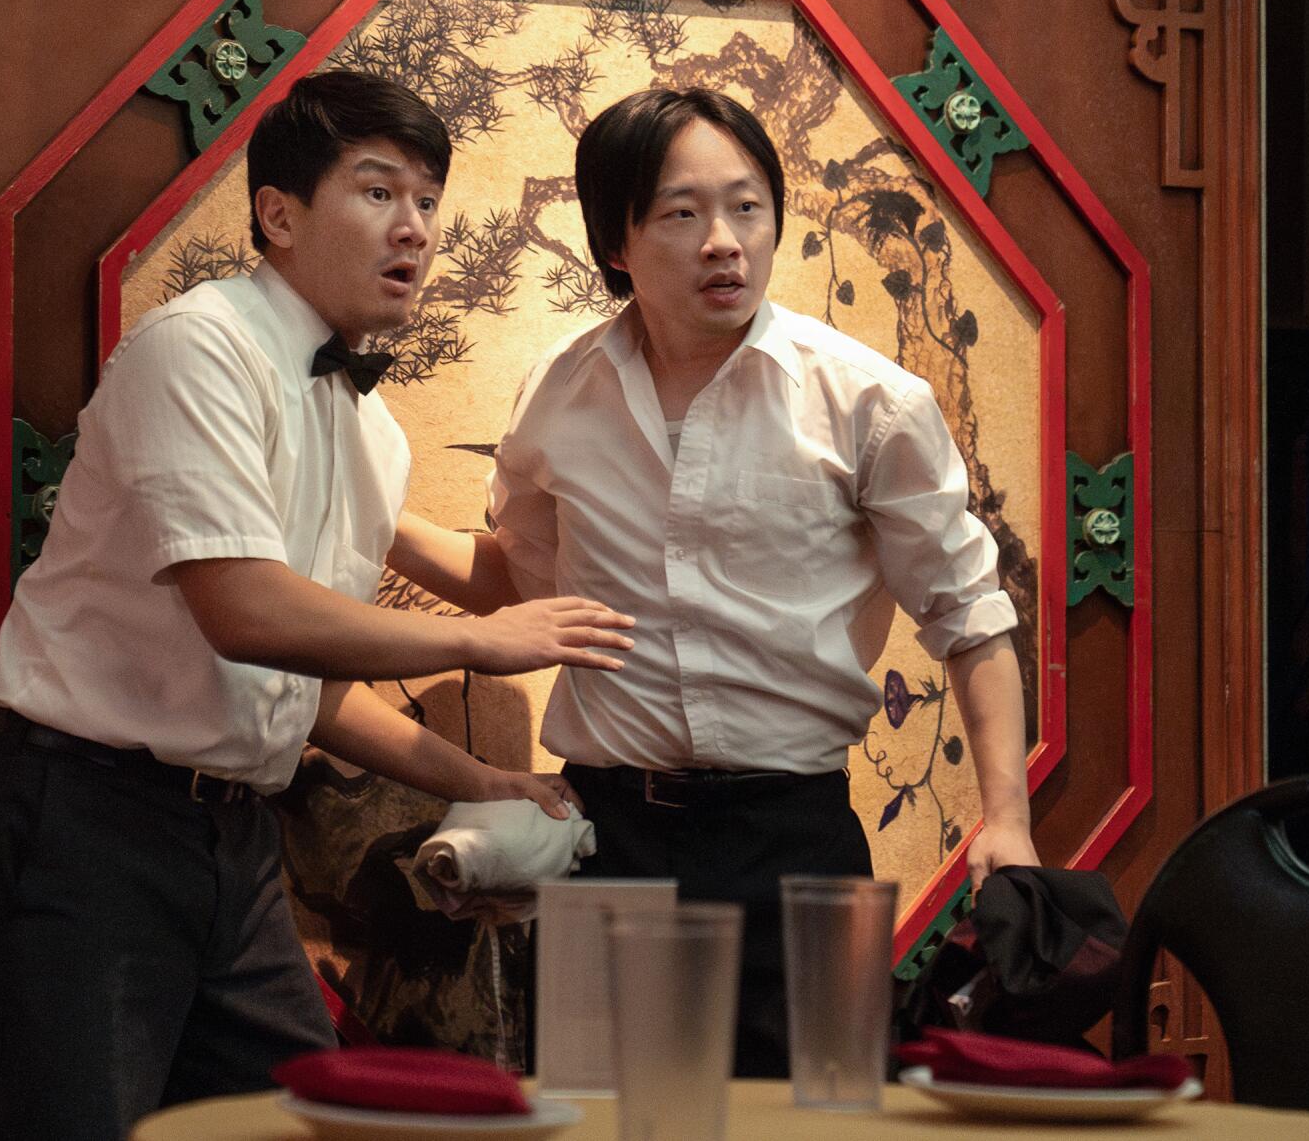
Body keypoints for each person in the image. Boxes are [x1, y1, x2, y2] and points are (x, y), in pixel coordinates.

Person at [0, 70, 634, 1139]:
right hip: (83, 816)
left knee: (299, 1119)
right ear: (277, 212)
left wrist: (482, 778)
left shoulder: (366, 431)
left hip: (231, 837)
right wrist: (482, 641)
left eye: (426, 200)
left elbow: (309, 692)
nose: (413, 227)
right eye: (377, 192)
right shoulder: (198, 349)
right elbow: (245, 611)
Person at [392, 87, 1039, 1078]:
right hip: (608, 838)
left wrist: (1005, 821)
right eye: (680, 213)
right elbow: (515, 581)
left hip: (795, 839)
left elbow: (967, 617)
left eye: (746, 207)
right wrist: (360, 519)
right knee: (610, 1125)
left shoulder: (868, 402)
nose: (722, 242)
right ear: (614, 240)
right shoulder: (559, 396)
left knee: (818, 1120)